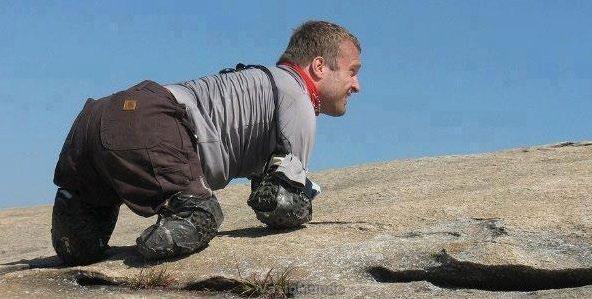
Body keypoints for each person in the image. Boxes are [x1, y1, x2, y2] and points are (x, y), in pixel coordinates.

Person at [51, 20, 361, 265]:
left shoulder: (259, 84)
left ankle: (74, 223)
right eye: (353, 72)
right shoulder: (296, 97)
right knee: (200, 215)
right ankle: (152, 248)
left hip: (95, 117)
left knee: (79, 248)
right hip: (152, 121)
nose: (356, 85)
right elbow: (278, 203)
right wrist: (301, 203)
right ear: (319, 67)